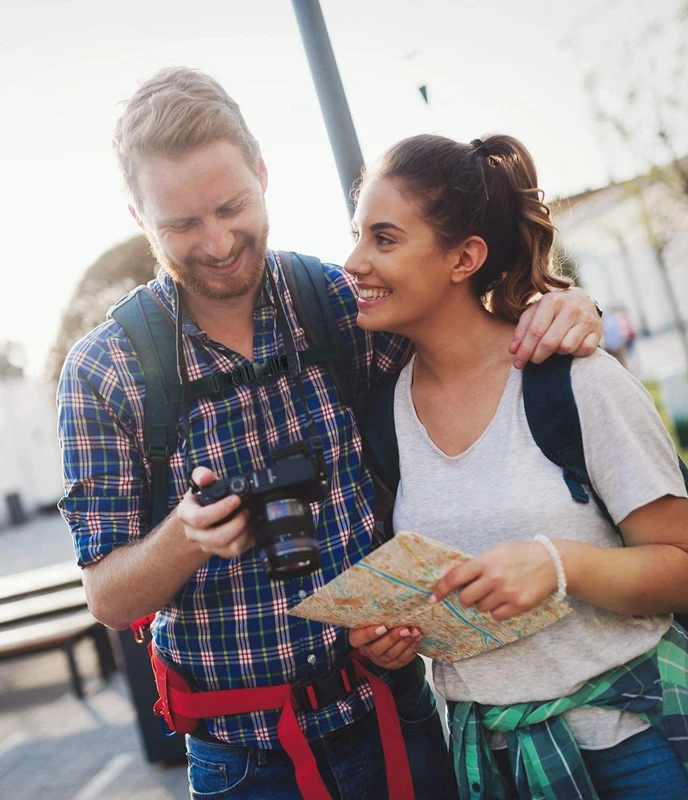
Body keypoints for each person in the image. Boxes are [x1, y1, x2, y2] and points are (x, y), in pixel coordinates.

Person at [57, 68, 605, 800]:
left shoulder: (341, 306)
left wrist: (562, 305)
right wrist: (188, 535)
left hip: (394, 716)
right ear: (137, 213)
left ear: (262, 171)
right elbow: (108, 598)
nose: (218, 243)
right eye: (181, 225)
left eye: (232, 207)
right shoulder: (105, 368)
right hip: (244, 764)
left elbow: (471, 332)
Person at [345, 133, 688, 799]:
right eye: (357, 235)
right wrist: (400, 638)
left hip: (642, 746)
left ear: (464, 257)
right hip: (503, 765)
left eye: (384, 239)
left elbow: (684, 572)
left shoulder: (577, 381)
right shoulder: (382, 414)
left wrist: (559, 566)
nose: (354, 261)